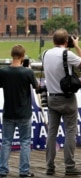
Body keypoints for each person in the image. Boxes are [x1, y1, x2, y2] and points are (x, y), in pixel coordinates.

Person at [43, 28, 81, 176]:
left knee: (51, 133)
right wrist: (76, 45)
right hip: (67, 98)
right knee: (70, 132)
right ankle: (70, 166)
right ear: (66, 41)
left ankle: (49, 166)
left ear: (53, 41)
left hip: (52, 97)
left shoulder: (45, 54)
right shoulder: (66, 54)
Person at [0, 45, 38, 177]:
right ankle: (24, 171)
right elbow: (37, 87)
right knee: (25, 142)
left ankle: (2, 170)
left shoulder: (3, 72)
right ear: (23, 56)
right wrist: (30, 70)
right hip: (24, 113)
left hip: (8, 112)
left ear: (12, 55)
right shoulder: (27, 72)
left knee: (6, 142)